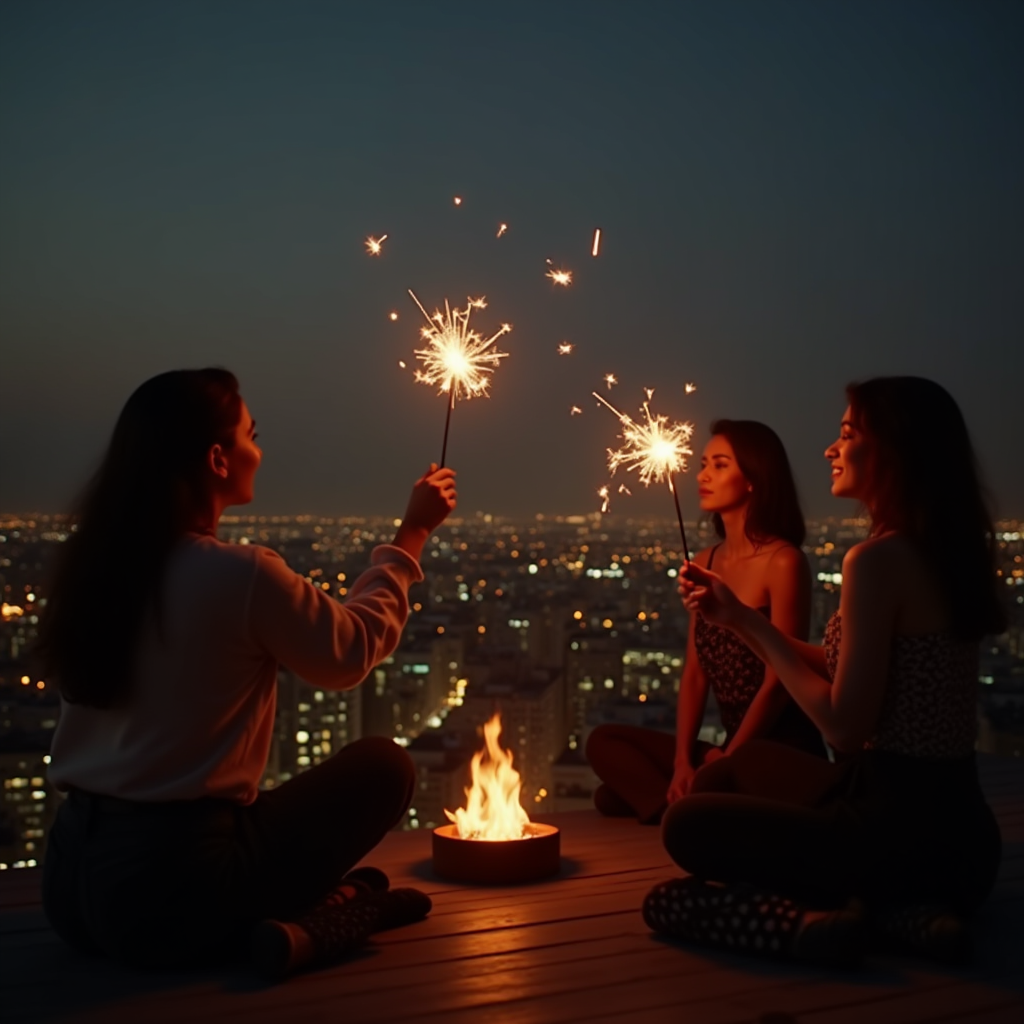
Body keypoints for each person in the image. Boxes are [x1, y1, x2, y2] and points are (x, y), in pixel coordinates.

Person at [37, 368, 457, 979]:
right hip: (172, 891)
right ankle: (312, 921)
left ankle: (316, 909)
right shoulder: (239, 574)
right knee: (384, 766)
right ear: (217, 458)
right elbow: (351, 651)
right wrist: (412, 534)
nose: (259, 450)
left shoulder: (93, 567)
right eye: (250, 435)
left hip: (69, 886)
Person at [647, 377, 1005, 967]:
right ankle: (904, 914)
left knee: (686, 830)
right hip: (965, 842)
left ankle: (832, 920)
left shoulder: (875, 561)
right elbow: (851, 665)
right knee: (754, 762)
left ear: (893, 451)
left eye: (846, 435)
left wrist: (753, 627)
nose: (829, 450)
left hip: (892, 831)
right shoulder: (941, 549)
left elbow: (842, 726)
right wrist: (738, 620)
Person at [586, 420, 823, 825]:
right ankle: (689, 803)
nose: (703, 475)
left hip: (775, 749)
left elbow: (779, 682)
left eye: (720, 464)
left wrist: (728, 763)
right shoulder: (705, 563)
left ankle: (684, 809)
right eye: (702, 464)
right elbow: (695, 673)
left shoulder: (783, 562)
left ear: (753, 479)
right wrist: (683, 762)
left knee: (614, 797)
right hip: (726, 749)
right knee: (603, 743)